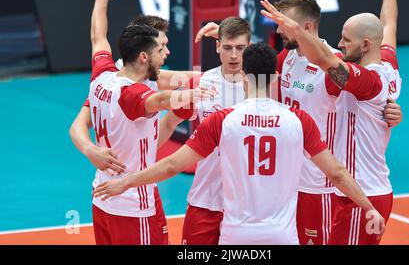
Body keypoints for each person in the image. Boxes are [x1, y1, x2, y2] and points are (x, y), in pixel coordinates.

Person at [93, 42, 385, 245]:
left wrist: (125, 182)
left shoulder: (223, 120)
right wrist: (368, 206)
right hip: (282, 235)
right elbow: (336, 173)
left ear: (243, 77)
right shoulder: (299, 120)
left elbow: (172, 165)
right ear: (275, 77)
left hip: (237, 237)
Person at [194, 0, 402, 244]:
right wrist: (226, 36)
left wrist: (387, 111)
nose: (278, 30)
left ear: (304, 27)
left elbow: (343, 70)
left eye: (283, 25)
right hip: (289, 181)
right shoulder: (289, 57)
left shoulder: (334, 68)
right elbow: (388, 29)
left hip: (323, 186)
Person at [260, 0, 401, 245]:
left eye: (346, 40)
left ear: (364, 45)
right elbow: (389, 26)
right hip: (348, 188)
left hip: (357, 191)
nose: (340, 44)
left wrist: (296, 29)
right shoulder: (387, 62)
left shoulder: (366, 80)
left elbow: (325, 58)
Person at [86, 0, 213, 245]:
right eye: (160, 49)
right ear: (143, 57)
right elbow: (160, 99)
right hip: (133, 206)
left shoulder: (102, 74)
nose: (166, 53)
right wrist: (195, 93)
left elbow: (98, 36)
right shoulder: (132, 95)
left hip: (103, 199)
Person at [172, 17, 250, 245]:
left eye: (240, 48)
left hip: (244, 207)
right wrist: (143, 159)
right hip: (204, 200)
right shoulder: (201, 83)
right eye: (227, 47)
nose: (234, 55)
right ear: (217, 46)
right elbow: (169, 123)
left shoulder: (262, 86)